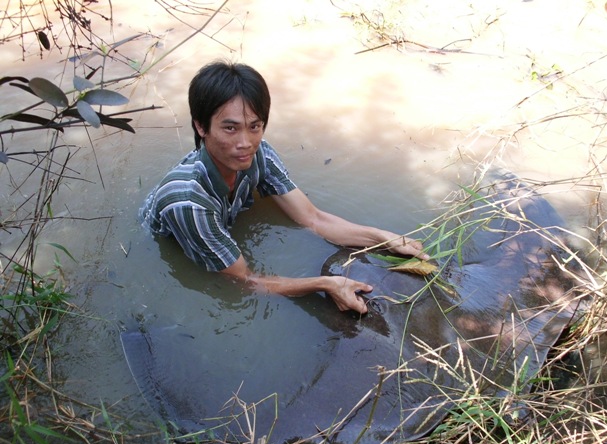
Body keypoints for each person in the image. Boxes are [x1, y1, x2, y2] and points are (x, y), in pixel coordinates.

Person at [140, 61, 427, 314]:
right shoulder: (189, 205)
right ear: (201, 127)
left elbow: (313, 219)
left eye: (255, 126)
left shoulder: (258, 152)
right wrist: (324, 284)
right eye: (230, 128)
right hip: (178, 234)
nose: (246, 142)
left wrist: (381, 237)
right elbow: (244, 282)